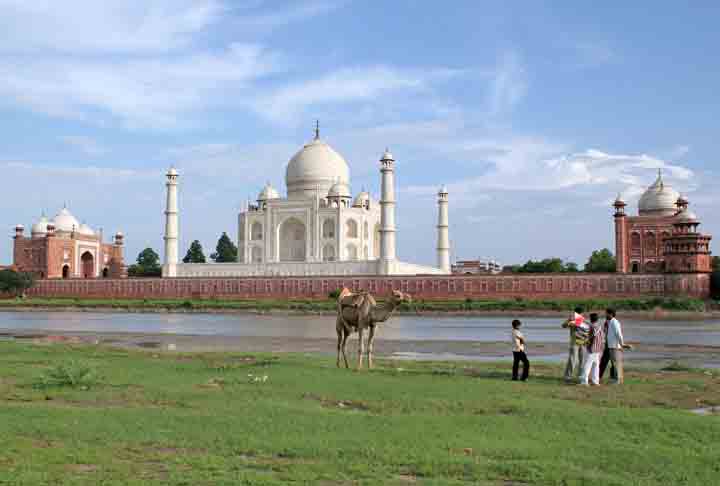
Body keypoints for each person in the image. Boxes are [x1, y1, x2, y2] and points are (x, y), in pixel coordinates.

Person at [580, 313, 605, 386]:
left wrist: (587, 343)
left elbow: (592, 336)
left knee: (587, 366)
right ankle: (595, 381)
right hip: (598, 349)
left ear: (591, 319)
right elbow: (602, 338)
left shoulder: (592, 326)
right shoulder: (600, 326)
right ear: (597, 319)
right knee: (596, 366)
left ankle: (584, 382)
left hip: (592, 349)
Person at [604, 308, 628, 384]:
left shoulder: (615, 322)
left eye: (606, 313)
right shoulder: (611, 322)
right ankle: (617, 379)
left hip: (615, 346)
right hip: (612, 346)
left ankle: (618, 380)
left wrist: (622, 344)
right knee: (615, 363)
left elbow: (619, 334)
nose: (605, 315)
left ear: (610, 314)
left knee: (616, 363)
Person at [562, 306, 586, 383]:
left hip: (582, 342)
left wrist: (571, 320)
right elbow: (564, 325)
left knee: (581, 360)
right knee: (573, 360)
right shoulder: (575, 319)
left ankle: (580, 377)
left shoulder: (580, 319)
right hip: (576, 343)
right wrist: (569, 320)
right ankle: (568, 377)